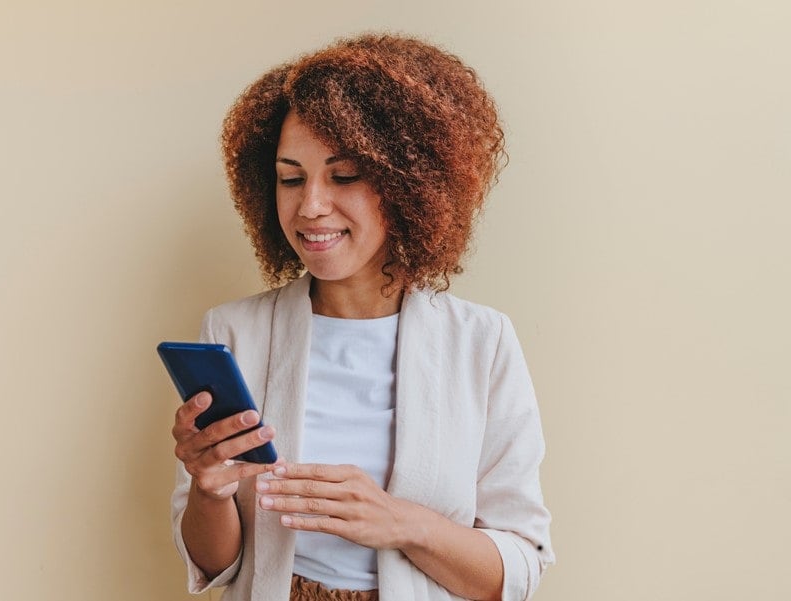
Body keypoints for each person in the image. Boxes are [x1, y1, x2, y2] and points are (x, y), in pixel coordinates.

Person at [169, 34, 555, 601]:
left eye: (344, 176)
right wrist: (208, 490)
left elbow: (517, 570)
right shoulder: (233, 334)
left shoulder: (482, 342)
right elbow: (215, 566)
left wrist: (398, 521)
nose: (310, 206)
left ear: (409, 186)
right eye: (291, 177)